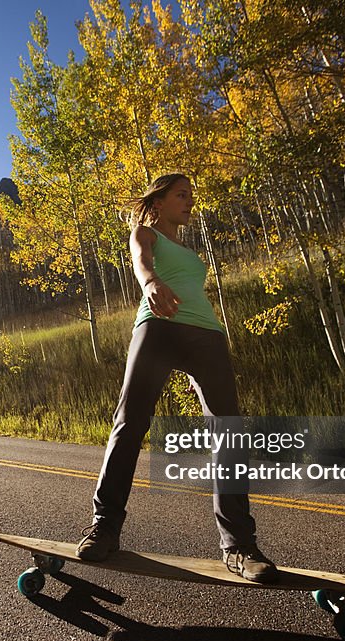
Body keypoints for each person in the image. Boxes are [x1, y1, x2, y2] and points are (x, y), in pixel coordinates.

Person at [76, 173, 278, 583]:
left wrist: (191, 368)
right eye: (181, 195)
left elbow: (193, 291)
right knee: (130, 425)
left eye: (191, 195)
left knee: (230, 432)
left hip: (206, 336)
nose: (189, 201)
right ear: (160, 200)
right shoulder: (145, 233)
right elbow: (140, 261)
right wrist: (150, 282)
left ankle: (238, 546)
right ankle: (105, 528)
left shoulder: (188, 250)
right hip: (157, 328)